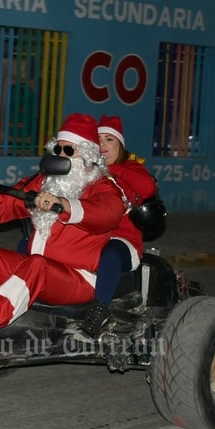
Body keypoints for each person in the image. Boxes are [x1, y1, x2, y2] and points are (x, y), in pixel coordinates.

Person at [0, 113, 126, 354]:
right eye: (57, 149)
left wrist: (63, 205)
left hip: (78, 279)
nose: (60, 156)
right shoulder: (44, 183)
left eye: (68, 151)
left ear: (88, 157)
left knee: (37, 266)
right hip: (38, 269)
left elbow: (106, 213)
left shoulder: (103, 187)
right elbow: (4, 202)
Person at [81, 115, 157, 337]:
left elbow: (148, 188)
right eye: (98, 140)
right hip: (87, 239)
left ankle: (99, 310)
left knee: (111, 253)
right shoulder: (85, 171)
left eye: (109, 139)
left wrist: (113, 170)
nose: (103, 145)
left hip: (122, 242)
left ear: (120, 145)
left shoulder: (131, 168)